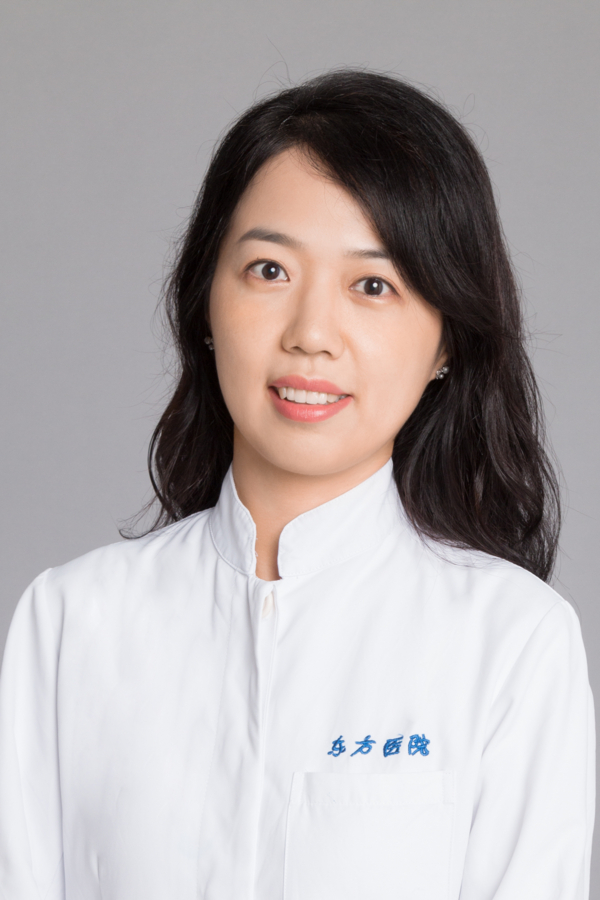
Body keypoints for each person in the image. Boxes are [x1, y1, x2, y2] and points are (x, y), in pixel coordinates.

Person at [0, 68, 594, 899]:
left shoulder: (512, 642)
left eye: (373, 286)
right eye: (269, 270)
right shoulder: (72, 623)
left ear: (447, 342)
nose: (312, 334)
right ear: (205, 302)